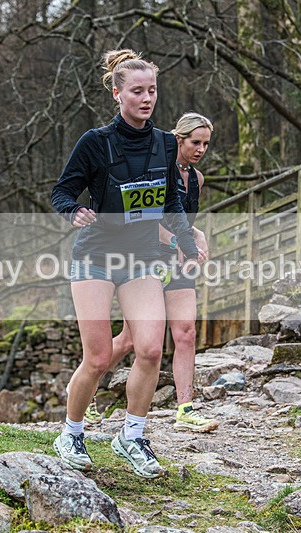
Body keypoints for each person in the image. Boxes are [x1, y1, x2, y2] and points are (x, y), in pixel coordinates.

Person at [51, 49, 205, 478]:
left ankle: (132, 437)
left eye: (152, 90)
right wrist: (73, 211)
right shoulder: (95, 142)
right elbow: (62, 191)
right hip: (96, 256)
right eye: (137, 91)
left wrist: (187, 242)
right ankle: (71, 432)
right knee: (99, 357)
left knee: (151, 347)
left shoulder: (164, 144)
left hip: (140, 258)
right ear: (118, 94)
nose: (146, 98)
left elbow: (171, 201)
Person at [83, 112, 218, 433]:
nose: (201, 149)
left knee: (186, 332)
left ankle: (186, 409)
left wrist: (197, 237)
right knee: (131, 339)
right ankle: (84, 388)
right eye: (195, 142)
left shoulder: (196, 180)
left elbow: (185, 220)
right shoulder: (154, 170)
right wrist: (176, 240)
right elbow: (142, 218)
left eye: (206, 144)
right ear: (178, 139)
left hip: (178, 261)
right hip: (144, 258)